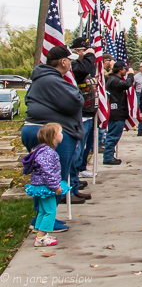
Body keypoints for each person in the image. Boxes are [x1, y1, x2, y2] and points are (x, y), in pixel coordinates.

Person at [22, 45, 86, 211]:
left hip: (37, 129)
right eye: (70, 61)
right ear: (63, 62)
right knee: (54, 176)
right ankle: (45, 220)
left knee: (42, 177)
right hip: (48, 133)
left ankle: (41, 217)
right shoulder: (51, 80)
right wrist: (78, 93)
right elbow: (75, 102)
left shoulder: (43, 78)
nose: (71, 65)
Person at [22, 123, 64, 247]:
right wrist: (55, 186)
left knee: (42, 211)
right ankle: (40, 238)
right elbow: (48, 172)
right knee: (50, 211)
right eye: (60, 133)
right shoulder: (48, 153)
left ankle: (41, 235)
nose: (62, 135)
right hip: (46, 187)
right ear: (53, 137)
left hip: (39, 185)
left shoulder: (41, 150)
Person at [69, 37, 96, 200]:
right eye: (84, 50)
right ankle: (71, 186)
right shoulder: (73, 64)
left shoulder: (79, 64)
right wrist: (90, 55)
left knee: (81, 148)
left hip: (85, 112)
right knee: (75, 150)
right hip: (76, 114)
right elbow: (84, 67)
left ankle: (74, 182)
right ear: (77, 51)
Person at [104, 61, 129, 165]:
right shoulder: (114, 80)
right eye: (125, 69)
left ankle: (109, 155)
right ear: (120, 69)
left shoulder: (113, 79)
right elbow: (127, 84)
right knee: (113, 134)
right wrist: (131, 75)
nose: (127, 71)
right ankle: (108, 156)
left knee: (113, 134)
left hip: (117, 111)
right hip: (116, 112)